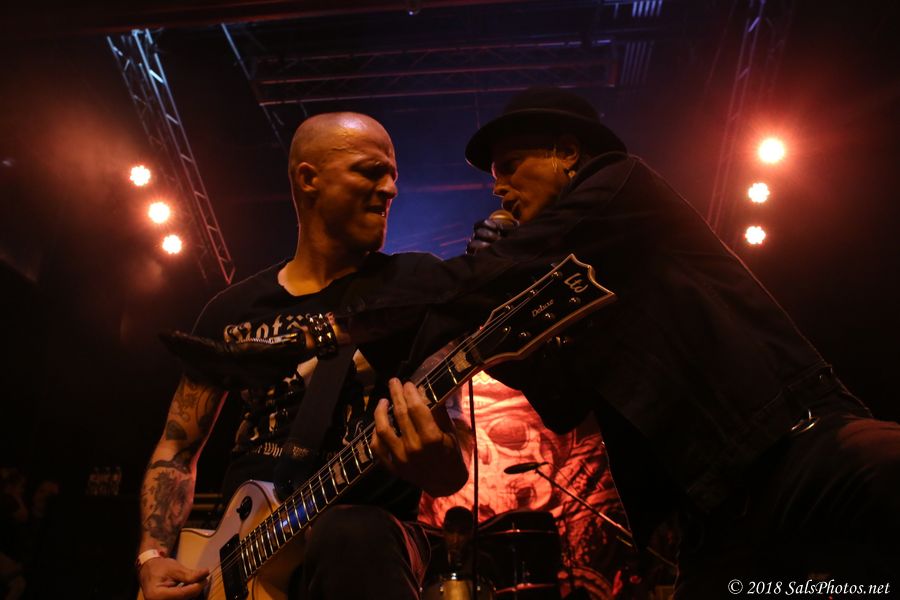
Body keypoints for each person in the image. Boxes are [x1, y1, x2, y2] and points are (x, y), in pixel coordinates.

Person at [335, 87, 900, 595]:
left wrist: (345, 317)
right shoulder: (561, 283)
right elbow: (561, 401)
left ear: (567, 152)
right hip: (714, 520)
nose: (499, 189)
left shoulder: (623, 184)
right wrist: (491, 323)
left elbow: (499, 268)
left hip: (798, 448)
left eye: (510, 167)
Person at [136, 112, 468, 600]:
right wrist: (152, 556)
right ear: (309, 178)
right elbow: (177, 446)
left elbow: (452, 462)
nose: (390, 189)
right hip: (239, 556)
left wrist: (437, 458)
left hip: (369, 541)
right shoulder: (234, 309)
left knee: (350, 531)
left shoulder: (414, 287)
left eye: (393, 175)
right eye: (370, 171)